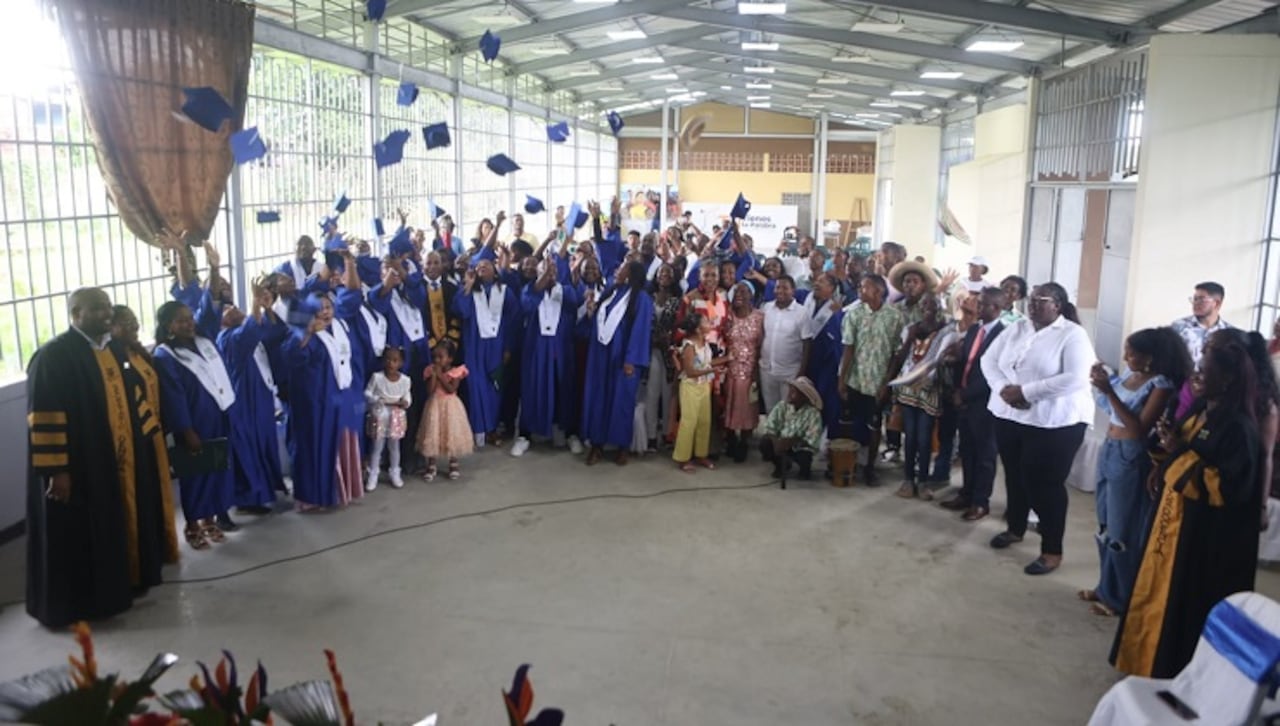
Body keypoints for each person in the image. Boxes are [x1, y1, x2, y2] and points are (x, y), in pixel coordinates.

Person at [25, 289, 178, 628]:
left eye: (108, 306)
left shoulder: (110, 350)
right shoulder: (55, 357)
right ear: (75, 312)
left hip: (114, 464)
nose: (106, 313)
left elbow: (133, 399)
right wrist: (57, 471)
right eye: (97, 308)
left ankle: (113, 592)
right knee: (79, 537)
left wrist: (151, 442)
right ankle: (77, 604)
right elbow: (45, 418)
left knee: (112, 528)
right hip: (79, 468)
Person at [1111, 335, 1262, 678]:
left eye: (1204, 371)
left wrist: (1178, 451)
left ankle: (1175, 672)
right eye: (1195, 368)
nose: (1195, 376)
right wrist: (1164, 452)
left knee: (1183, 604)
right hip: (1172, 523)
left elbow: (1222, 486)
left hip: (1203, 541)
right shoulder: (1202, 413)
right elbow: (1181, 454)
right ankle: (1145, 659)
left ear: (1227, 379)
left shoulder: (1239, 428)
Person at [982, 282, 1095, 576]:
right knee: (1016, 475)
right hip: (1008, 415)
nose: (1032, 305)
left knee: (1044, 485)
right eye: (1031, 299)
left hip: (1054, 423)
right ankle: (1015, 528)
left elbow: (1076, 378)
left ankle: (1052, 550)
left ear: (1057, 305)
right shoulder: (1017, 328)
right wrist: (1003, 388)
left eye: (1041, 300)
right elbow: (988, 360)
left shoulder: (1072, 334)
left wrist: (1026, 392)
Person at [1083, 328, 1190, 617]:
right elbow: (1109, 407)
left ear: (1151, 357)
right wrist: (1101, 385)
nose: (1127, 357)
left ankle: (1120, 597)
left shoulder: (1161, 384)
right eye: (1126, 351)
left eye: (1133, 353)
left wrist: (1109, 391)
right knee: (1105, 522)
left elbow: (1138, 428)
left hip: (1130, 454)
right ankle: (1106, 585)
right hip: (1110, 447)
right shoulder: (1130, 377)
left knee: (1122, 528)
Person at [153, 298, 237, 550]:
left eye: (190, 318)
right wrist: (186, 430)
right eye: (181, 320)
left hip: (219, 415)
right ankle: (192, 524)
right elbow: (173, 396)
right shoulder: (165, 355)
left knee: (216, 469)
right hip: (194, 422)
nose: (189, 324)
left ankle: (210, 519)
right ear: (168, 325)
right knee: (195, 474)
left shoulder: (204, 341)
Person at [284, 290, 366, 511]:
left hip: (341, 397)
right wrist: (308, 332)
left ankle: (340, 491)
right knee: (317, 449)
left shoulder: (341, 328)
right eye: (319, 308)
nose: (325, 312)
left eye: (328, 306)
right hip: (316, 403)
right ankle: (314, 497)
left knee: (341, 444)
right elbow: (294, 359)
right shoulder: (300, 334)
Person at [217, 274, 288, 515]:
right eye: (227, 309)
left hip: (261, 399)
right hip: (245, 403)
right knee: (250, 450)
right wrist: (256, 304)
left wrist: (266, 308)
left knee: (265, 446)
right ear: (221, 321)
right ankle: (249, 499)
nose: (233, 308)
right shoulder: (227, 339)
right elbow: (248, 334)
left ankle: (266, 491)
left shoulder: (246, 330)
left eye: (234, 305)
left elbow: (275, 332)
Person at [940, 287, 1007, 521]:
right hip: (965, 400)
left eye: (983, 305)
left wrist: (966, 394)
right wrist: (954, 370)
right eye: (978, 303)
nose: (977, 308)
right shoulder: (974, 330)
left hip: (986, 404)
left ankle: (981, 502)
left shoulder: (1004, 335)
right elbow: (966, 363)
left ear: (996, 308)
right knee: (967, 451)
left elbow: (995, 375)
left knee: (985, 455)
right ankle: (966, 494)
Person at [581, 260, 653, 465]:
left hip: (622, 358)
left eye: (621, 268)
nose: (616, 270)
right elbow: (597, 321)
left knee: (621, 402)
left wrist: (631, 360)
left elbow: (640, 331)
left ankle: (622, 447)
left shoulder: (641, 298)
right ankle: (597, 444)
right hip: (600, 357)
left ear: (630, 274)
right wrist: (590, 310)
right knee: (599, 399)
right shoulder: (611, 292)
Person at [838, 274, 905, 485]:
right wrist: (842, 380)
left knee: (874, 425)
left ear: (878, 291)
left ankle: (870, 467)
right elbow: (848, 349)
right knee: (848, 422)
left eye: (865, 287)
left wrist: (887, 382)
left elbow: (896, 353)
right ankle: (846, 462)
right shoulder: (854, 314)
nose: (860, 290)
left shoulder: (894, 317)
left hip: (878, 382)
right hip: (855, 379)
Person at [889, 293, 957, 500]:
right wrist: (910, 337)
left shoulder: (947, 331)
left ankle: (924, 481)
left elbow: (945, 360)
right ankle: (908, 479)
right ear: (919, 308)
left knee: (925, 437)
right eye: (925, 304)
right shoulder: (911, 329)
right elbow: (901, 357)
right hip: (910, 386)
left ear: (940, 308)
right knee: (910, 435)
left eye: (933, 305)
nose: (929, 308)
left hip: (930, 387)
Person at [514, 249, 580, 454]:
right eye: (544, 272)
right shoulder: (529, 291)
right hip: (536, 350)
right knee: (532, 389)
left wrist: (555, 278)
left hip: (561, 349)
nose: (549, 276)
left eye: (552, 272)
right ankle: (524, 435)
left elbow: (573, 304)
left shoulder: (566, 291)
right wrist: (543, 277)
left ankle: (569, 433)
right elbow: (526, 306)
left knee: (565, 390)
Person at [454, 258, 519, 448]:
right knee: (475, 387)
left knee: (494, 387)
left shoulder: (505, 292)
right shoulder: (469, 290)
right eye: (478, 265)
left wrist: (508, 347)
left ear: (495, 270)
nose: (482, 267)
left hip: (497, 346)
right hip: (474, 346)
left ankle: (490, 429)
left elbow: (514, 321)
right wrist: (467, 285)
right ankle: (477, 430)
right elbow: (461, 311)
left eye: (487, 265)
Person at [673, 313, 731, 472]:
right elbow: (690, 371)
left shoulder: (704, 343)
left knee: (704, 422)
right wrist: (712, 370)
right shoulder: (689, 346)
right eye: (705, 321)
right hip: (690, 387)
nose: (709, 322)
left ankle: (701, 454)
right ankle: (683, 457)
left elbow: (707, 362)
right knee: (689, 422)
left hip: (704, 386)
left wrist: (727, 358)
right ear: (698, 329)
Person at [417, 340, 474, 480]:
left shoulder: (456, 371)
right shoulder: (430, 370)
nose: (437, 360)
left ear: (450, 358)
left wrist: (441, 376)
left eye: (440, 357)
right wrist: (434, 376)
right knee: (433, 432)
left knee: (451, 432)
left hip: (451, 406)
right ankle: (431, 464)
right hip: (434, 405)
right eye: (434, 356)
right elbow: (430, 391)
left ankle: (453, 462)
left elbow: (451, 389)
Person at [722, 281, 765, 462]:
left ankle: (744, 442)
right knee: (729, 405)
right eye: (737, 291)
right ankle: (731, 439)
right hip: (728, 369)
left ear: (751, 295)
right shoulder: (727, 316)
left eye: (744, 291)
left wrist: (758, 369)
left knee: (748, 406)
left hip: (750, 370)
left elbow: (764, 344)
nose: (740, 294)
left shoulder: (759, 317)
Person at [758, 275, 812, 414]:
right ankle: (771, 435)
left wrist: (801, 372)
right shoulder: (767, 308)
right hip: (767, 369)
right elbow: (761, 335)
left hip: (790, 371)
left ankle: (784, 436)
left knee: (787, 409)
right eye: (777, 287)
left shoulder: (801, 313)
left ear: (793, 290)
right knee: (770, 408)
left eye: (785, 288)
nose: (780, 291)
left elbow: (807, 343)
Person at [644, 262, 682, 451]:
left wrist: (668, 341)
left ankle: (667, 434)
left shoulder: (678, 300)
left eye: (668, 272)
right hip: (650, 350)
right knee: (652, 393)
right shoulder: (648, 298)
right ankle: (651, 436)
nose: (664, 275)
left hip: (670, 353)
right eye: (661, 272)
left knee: (669, 395)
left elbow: (679, 326)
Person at [802, 272, 845, 440]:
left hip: (828, 366)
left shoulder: (835, 311)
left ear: (832, 289)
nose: (817, 284)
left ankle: (828, 441)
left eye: (822, 282)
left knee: (828, 403)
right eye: (817, 281)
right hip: (808, 362)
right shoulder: (807, 302)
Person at [759, 376, 826, 481]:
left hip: (799, 446)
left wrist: (792, 442)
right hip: (781, 442)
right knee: (765, 443)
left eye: (794, 392)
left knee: (804, 456)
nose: (790, 394)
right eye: (790, 390)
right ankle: (780, 465)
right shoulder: (782, 406)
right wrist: (776, 442)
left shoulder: (813, 413)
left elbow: (813, 439)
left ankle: (804, 470)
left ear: (804, 396)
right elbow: (770, 427)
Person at [364, 346, 412, 491]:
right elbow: (367, 392)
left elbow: (407, 396)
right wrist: (377, 399)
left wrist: (406, 402)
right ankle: (373, 474)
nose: (391, 363)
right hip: (380, 414)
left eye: (395, 360)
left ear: (401, 363)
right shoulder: (377, 377)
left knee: (394, 446)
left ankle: (395, 472)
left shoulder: (405, 380)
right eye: (388, 360)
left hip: (396, 416)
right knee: (377, 446)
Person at [1171, 281, 1232, 367]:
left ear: (1217, 303)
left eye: (1201, 299)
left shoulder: (1228, 333)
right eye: (1195, 299)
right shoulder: (1178, 328)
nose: (1196, 303)